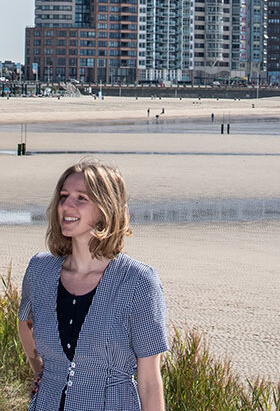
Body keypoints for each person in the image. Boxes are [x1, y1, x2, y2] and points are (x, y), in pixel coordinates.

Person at [18, 161, 169, 411]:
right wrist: (44, 373)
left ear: (106, 209)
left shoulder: (138, 282)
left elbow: (150, 381)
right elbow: (25, 322)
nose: (66, 205)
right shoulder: (39, 270)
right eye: (64, 196)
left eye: (81, 198)